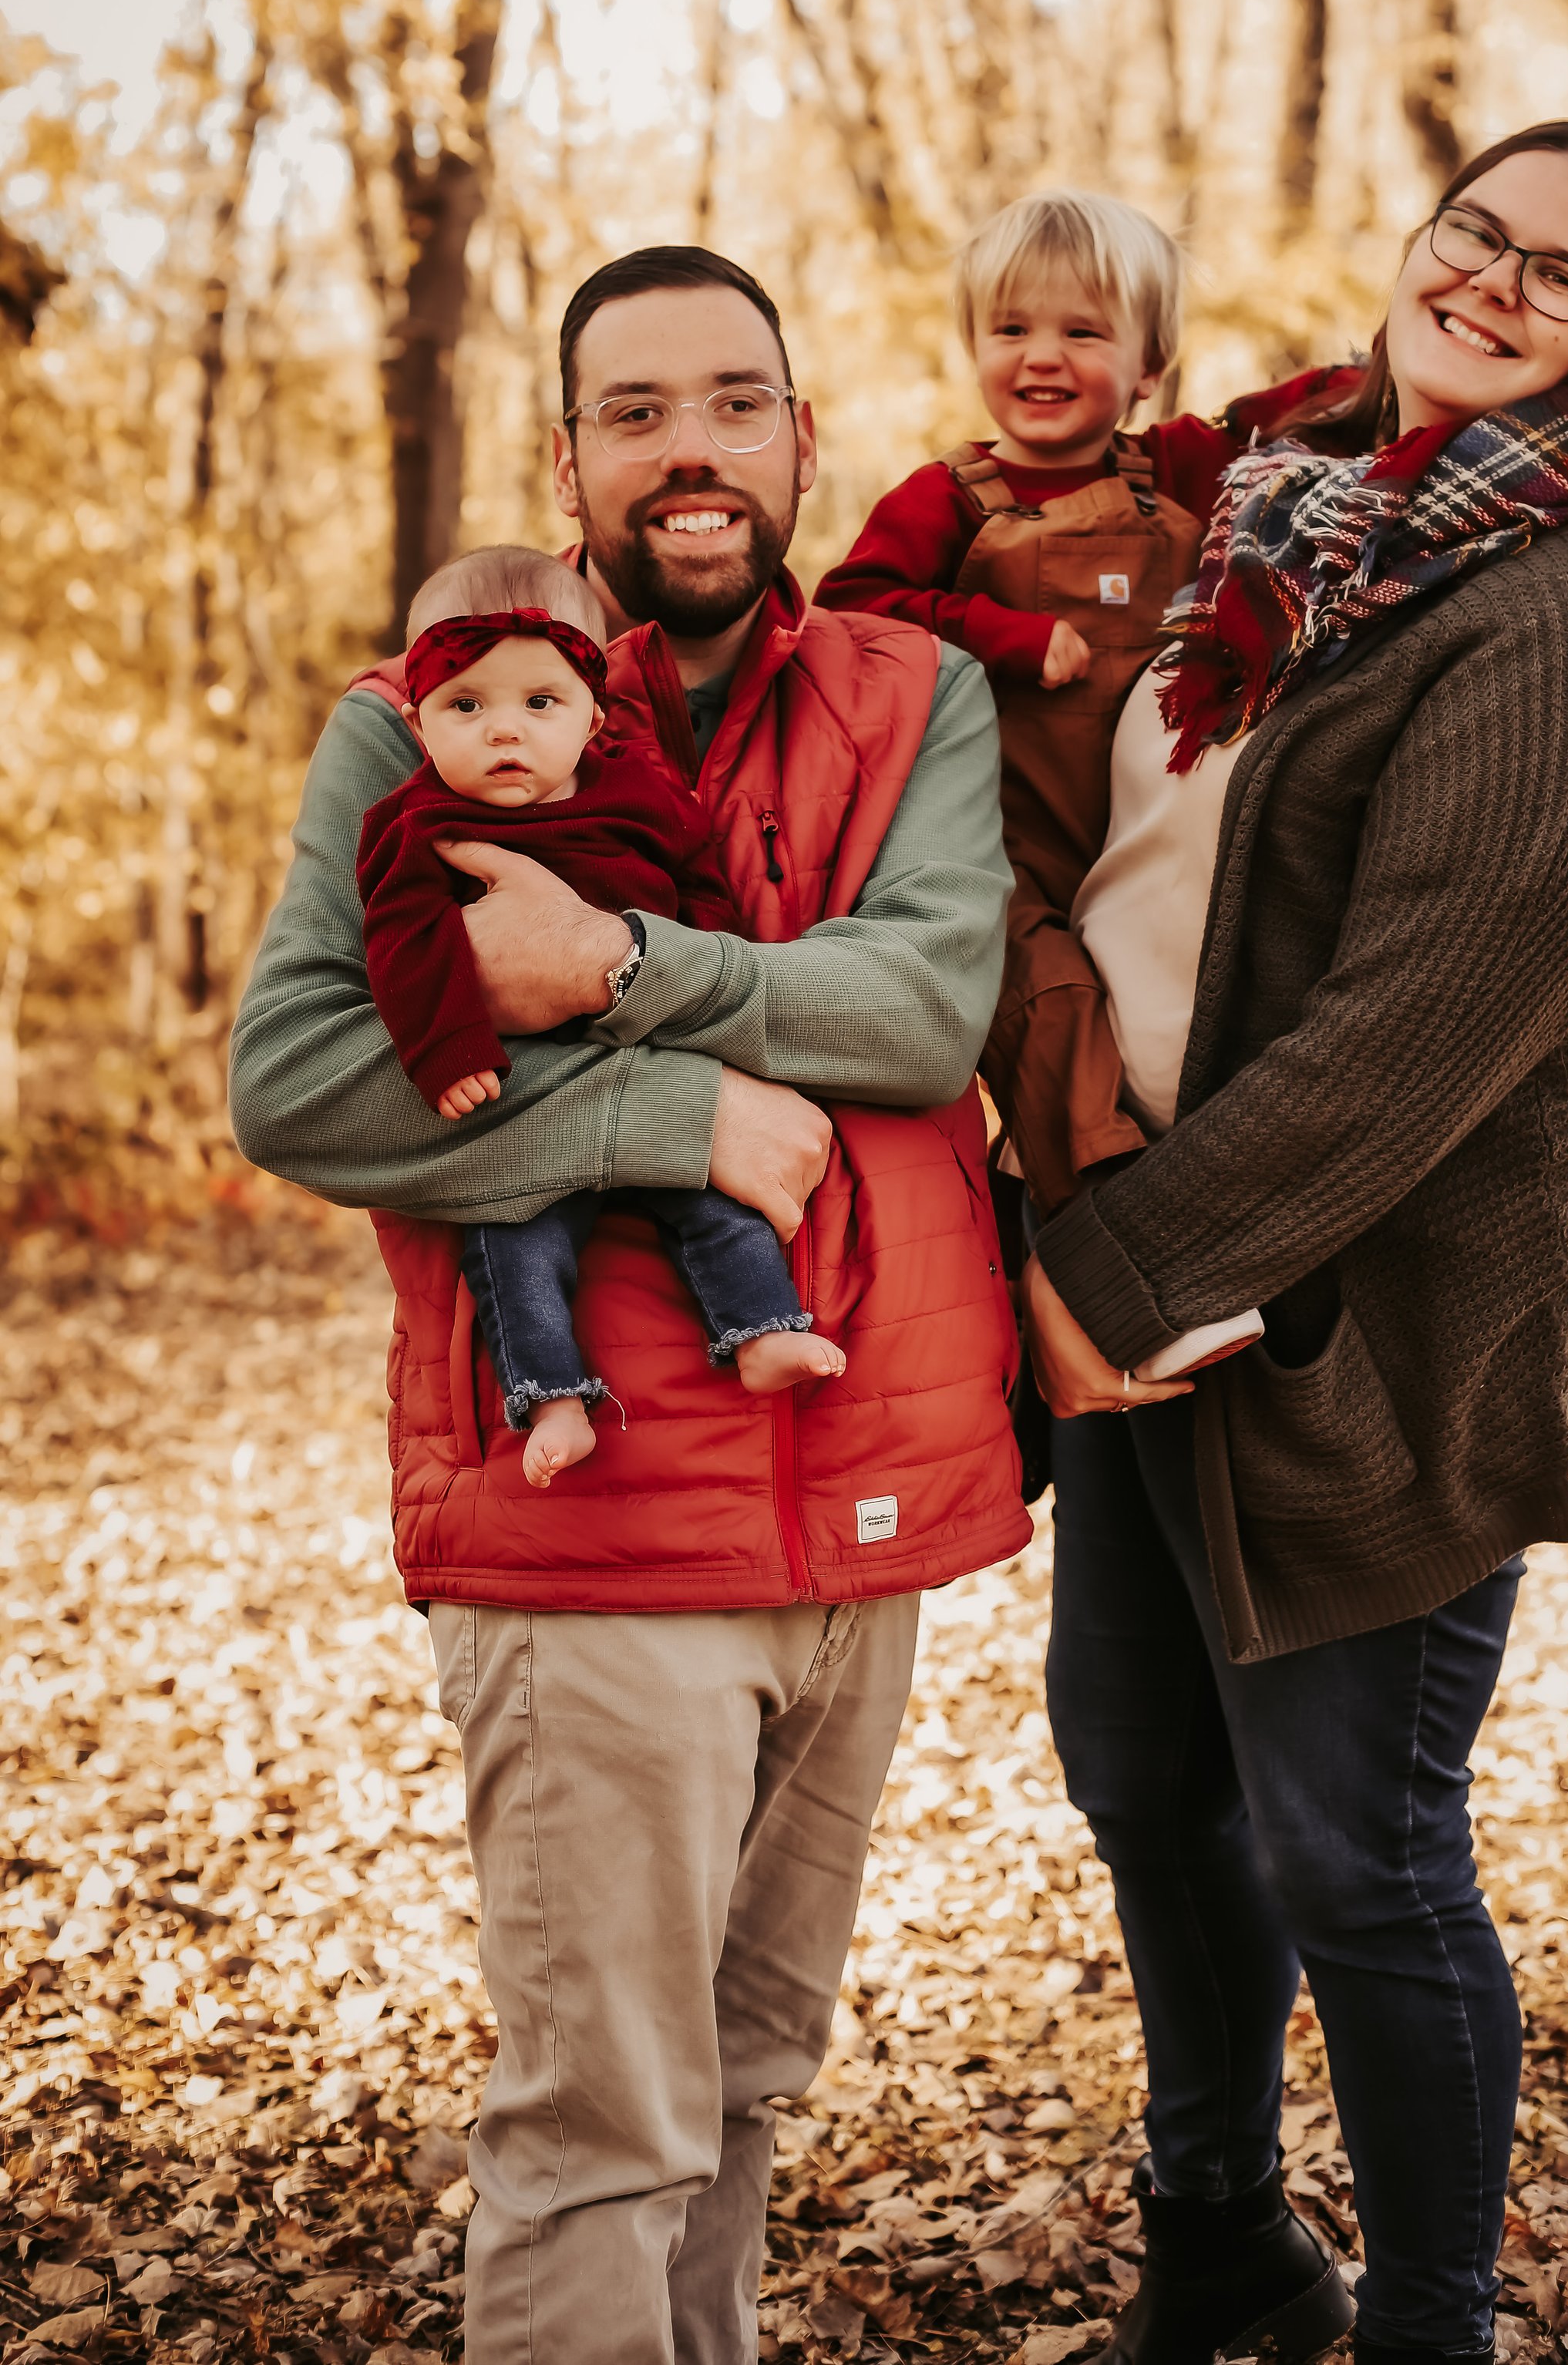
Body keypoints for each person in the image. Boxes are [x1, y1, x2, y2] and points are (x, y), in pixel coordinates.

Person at [230, 243, 1031, 2365]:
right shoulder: (413, 726)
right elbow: (301, 1080)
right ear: (567, 454)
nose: (693, 450)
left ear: (800, 437)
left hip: (861, 1503)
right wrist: (673, 1112)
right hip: (586, 1518)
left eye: (736, 403)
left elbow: (923, 1006)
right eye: (638, 410)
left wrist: (619, 970)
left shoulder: (910, 696)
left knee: (745, 2086)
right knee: (602, 2126)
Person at [1021, 122, 1568, 2365]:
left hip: (1395, 1322)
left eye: (1559, 272)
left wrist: (1093, 1282)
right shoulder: (1306, 514)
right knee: (1148, 1777)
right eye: (1472, 230)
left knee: (1355, 1844)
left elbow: (1404, 1041)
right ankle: (1223, 2238)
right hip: (1177, 1252)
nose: (1490, 281)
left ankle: (1433, 2324)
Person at [358, 545, 845, 1493]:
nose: (505, 731)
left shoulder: (639, 795)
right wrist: (446, 1046)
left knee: (722, 1200)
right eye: (467, 706)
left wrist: (708, 995)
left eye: (539, 703)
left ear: (592, 714)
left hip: (657, 1059)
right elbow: (401, 941)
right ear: (418, 723)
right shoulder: (416, 825)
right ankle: (553, 1399)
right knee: (512, 1242)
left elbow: (701, 889)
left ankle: (762, 1332)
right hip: (526, 1095)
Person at [816, 190, 1246, 1222]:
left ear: (1148, 367)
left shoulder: (1177, 469)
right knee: (1048, 1003)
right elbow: (849, 611)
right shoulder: (947, 498)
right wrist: (998, 632)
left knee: (1192, 1025)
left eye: (1083, 333)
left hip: (1151, 842)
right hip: (1009, 842)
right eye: (1010, 329)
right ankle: (1099, 1216)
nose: (1041, 356)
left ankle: (1213, 1200)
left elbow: (1302, 416)